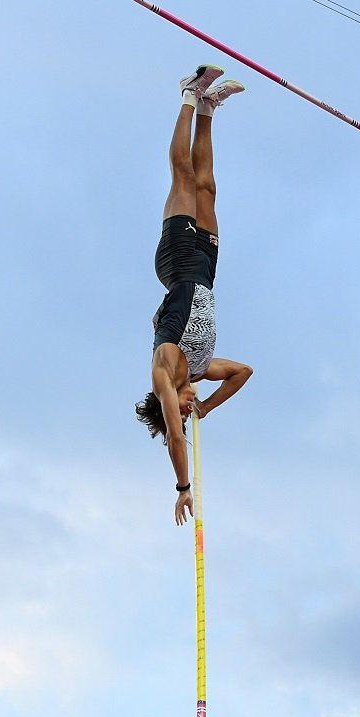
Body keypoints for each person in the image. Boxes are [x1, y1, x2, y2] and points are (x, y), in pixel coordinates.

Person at [136, 65, 254, 524]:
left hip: (178, 263)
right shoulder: (203, 370)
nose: (186, 412)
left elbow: (174, 436)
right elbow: (243, 372)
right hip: (206, 271)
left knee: (182, 179)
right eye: (187, 411)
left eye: (183, 412)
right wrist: (207, 404)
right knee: (207, 187)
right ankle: (208, 109)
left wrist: (184, 488)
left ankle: (187, 94)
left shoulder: (163, 373)